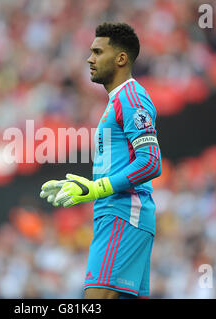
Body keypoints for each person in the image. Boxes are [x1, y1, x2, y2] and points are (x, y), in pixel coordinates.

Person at [40, 22, 162, 299]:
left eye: (97, 51)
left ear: (121, 58)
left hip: (122, 214)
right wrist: (89, 190)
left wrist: (98, 189)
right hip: (120, 213)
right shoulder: (117, 101)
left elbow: (151, 162)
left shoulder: (131, 99)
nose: (89, 58)